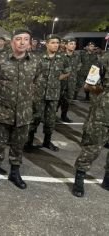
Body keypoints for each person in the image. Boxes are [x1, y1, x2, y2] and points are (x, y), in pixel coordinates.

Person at [0, 29, 40, 189]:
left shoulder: (35, 62)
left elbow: (37, 81)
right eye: (18, 39)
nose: (22, 42)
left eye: (26, 39)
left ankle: (15, 172)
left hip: (23, 113)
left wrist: (26, 97)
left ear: (29, 43)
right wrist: (3, 93)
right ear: (12, 42)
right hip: (2, 111)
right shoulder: (0, 60)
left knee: (18, 145)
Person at [72, 50, 109, 197]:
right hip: (103, 112)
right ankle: (79, 178)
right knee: (92, 147)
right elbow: (88, 85)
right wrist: (104, 92)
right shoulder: (102, 59)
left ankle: (107, 179)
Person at [25, 34, 70, 152]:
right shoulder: (38, 57)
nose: (55, 45)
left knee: (50, 119)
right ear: (47, 44)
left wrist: (55, 79)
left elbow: (67, 72)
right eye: (53, 42)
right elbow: (30, 73)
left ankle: (46, 142)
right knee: (35, 117)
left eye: (57, 43)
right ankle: (28, 142)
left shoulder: (62, 58)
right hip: (38, 93)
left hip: (53, 94)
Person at [57, 38, 81, 123]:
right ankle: (52, 115)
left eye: (74, 44)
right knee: (57, 100)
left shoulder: (77, 56)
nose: (73, 45)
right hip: (60, 82)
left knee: (67, 100)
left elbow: (78, 67)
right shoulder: (60, 55)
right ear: (66, 45)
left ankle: (64, 116)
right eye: (71, 44)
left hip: (71, 82)